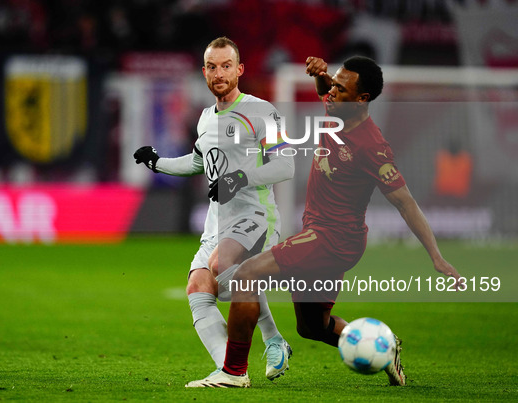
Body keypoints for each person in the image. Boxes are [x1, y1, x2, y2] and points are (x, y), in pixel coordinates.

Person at [186, 55, 463, 388]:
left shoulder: (372, 148)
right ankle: (385, 350)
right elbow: (327, 88)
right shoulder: (339, 109)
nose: (330, 92)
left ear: (362, 99)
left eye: (340, 88)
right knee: (312, 327)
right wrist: (321, 75)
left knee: (247, 275)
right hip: (323, 236)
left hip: (331, 239)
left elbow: (406, 204)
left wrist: (436, 256)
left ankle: (233, 372)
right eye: (333, 82)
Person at [134, 37, 295, 386]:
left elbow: (286, 166)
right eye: (211, 66)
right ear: (203, 72)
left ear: (240, 70)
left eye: (226, 66)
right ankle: (233, 369)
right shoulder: (206, 118)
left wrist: (239, 178)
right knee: (198, 285)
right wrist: (157, 162)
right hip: (216, 223)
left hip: (256, 218)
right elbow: (197, 162)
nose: (218, 73)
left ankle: (270, 339)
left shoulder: (263, 111)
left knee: (223, 266)